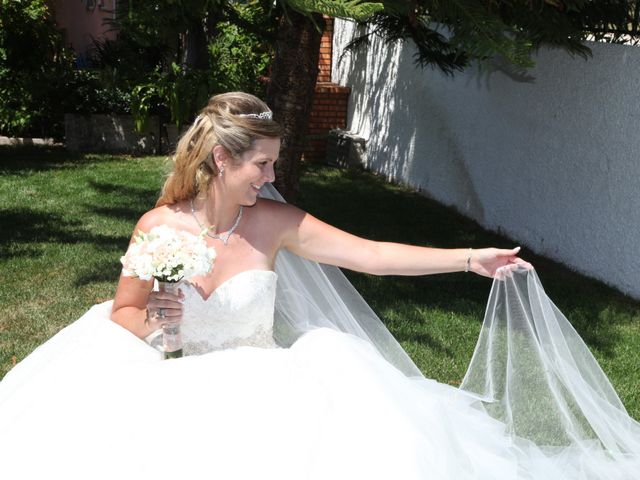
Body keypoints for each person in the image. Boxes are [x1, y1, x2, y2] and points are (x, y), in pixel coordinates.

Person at [0, 92, 638, 479]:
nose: (272, 175)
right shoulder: (158, 226)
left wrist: (469, 258)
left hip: (265, 389)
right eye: (263, 163)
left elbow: (372, 255)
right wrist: (161, 319)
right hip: (180, 388)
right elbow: (124, 316)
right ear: (221, 160)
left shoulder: (274, 222)